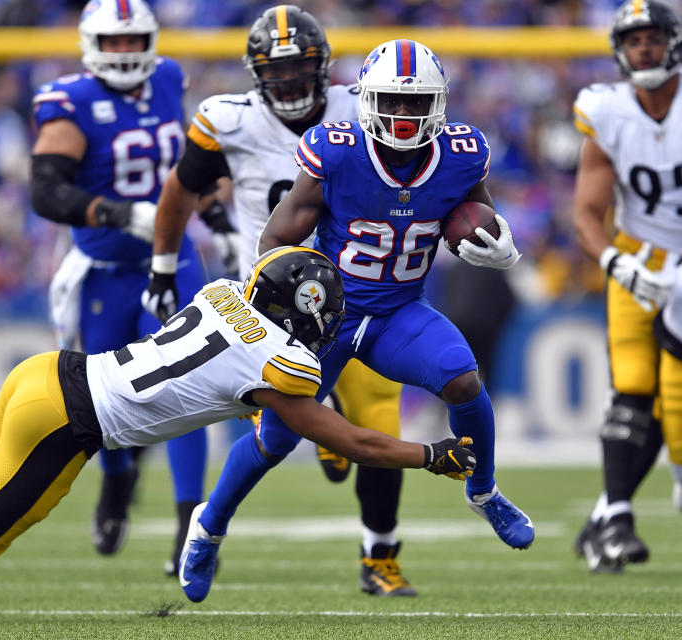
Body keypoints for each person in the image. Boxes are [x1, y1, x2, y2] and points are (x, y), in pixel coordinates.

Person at [0, 247, 477, 622]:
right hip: (69, 423)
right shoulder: (279, 362)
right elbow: (351, 440)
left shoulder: (222, 293)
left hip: (49, 372)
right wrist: (429, 454)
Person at [174, 38, 535, 604]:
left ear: (439, 105)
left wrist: (500, 251)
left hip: (399, 312)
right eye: (394, 100)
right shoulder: (335, 153)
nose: (406, 115)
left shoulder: (463, 154)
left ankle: (484, 490)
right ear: (368, 100)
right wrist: (283, 314)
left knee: (463, 378)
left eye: (419, 104)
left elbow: (474, 222)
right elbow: (275, 239)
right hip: (329, 316)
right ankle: (209, 524)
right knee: (275, 438)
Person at [142, 5, 415, 596]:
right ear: (255, 73)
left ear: (324, 68)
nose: (290, 83)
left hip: (359, 293)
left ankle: (380, 554)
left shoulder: (360, 108)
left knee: (378, 418)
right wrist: (164, 263)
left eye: (300, 70)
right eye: (277, 72)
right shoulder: (227, 120)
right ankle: (209, 522)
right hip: (269, 304)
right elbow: (180, 190)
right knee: (275, 429)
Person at [29, 0, 215, 570]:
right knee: (102, 401)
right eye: (115, 42)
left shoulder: (167, 79)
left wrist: (217, 212)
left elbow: (192, 163)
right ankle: (116, 484)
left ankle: (190, 524)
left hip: (171, 258)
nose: (127, 53)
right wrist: (111, 212)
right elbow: (46, 192)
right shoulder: (69, 102)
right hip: (105, 274)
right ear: (92, 44)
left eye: (135, 41)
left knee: (193, 389)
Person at [570, 0, 682, 573]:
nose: (644, 48)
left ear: (673, 42)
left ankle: (604, 517)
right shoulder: (607, 112)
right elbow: (587, 211)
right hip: (638, 259)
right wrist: (616, 262)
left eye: (654, 37)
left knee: (670, 405)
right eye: (634, 39)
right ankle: (614, 518)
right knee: (634, 391)